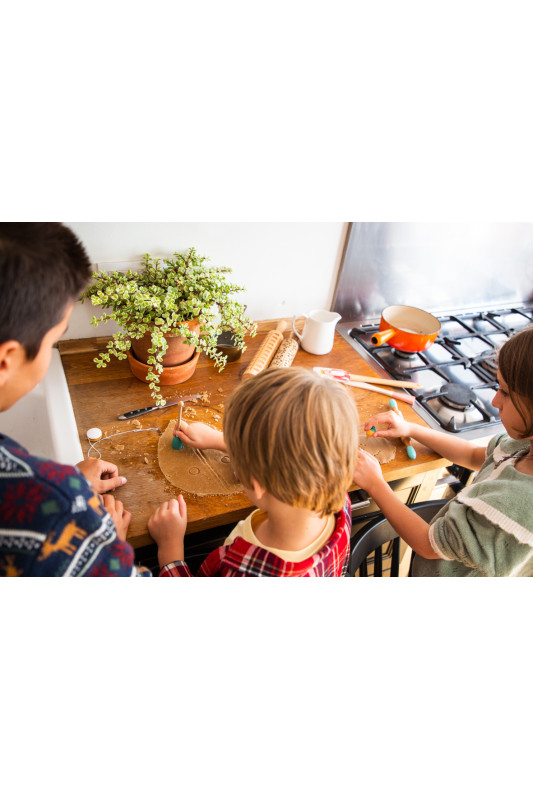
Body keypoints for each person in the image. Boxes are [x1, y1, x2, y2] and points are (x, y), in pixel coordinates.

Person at [0, 222, 150, 577]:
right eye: (53, 341)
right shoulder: (60, 510)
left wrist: (70, 483)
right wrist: (105, 545)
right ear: (6, 360)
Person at [353, 326, 533, 577]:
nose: (494, 401)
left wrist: (375, 483)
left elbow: (427, 544)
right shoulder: (522, 447)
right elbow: (472, 455)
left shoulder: (515, 509)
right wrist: (411, 428)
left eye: (504, 392)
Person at [148, 367, 359, 576]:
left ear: (256, 483)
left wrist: (170, 551)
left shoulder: (240, 570)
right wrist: (222, 441)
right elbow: (294, 451)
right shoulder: (338, 498)